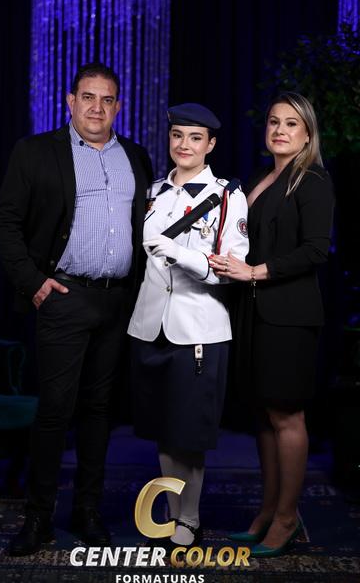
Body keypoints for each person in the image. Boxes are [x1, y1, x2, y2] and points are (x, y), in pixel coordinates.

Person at [0, 62, 153, 555]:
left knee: (100, 411)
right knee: (56, 411)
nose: (97, 108)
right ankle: (38, 518)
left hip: (116, 300)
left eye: (107, 100)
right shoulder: (36, 151)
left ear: (118, 106)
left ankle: (87, 511)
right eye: (88, 97)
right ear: (70, 100)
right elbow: (5, 221)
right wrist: (33, 283)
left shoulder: (137, 157)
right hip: (63, 296)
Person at [210, 92, 334, 557]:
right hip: (254, 310)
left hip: (289, 315)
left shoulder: (313, 179)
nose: (280, 130)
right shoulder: (263, 176)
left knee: (286, 415)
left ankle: (286, 518)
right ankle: (267, 511)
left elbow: (316, 250)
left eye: (291, 124)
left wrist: (256, 272)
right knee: (262, 413)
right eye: (274, 122)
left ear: (307, 133)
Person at [128, 103, 249, 548]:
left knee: (189, 434)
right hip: (150, 325)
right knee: (163, 429)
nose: (184, 145)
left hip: (198, 329)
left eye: (195, 138)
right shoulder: (153, 192)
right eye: (177, 135)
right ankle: (171, 512)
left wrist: (179, 253)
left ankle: (191, 518)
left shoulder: (227, 196)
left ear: (210, 144)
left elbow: (231, 269)